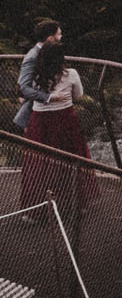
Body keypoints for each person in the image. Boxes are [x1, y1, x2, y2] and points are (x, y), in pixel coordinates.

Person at [18, 23, 97, 214]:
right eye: (59, 34)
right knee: (71, 160)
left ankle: (37, 210)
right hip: (64, 120)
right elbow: (78, 96)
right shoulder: (70, 74)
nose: (61, 36)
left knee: (39, 163)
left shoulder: (37, 74)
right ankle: (75, 206)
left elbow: (24, 91)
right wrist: (52, 97)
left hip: (40, 121)